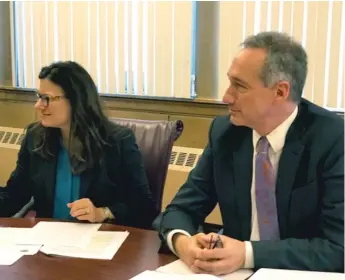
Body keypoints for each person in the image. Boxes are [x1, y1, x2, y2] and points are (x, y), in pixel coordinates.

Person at [157, 31, 344, 274]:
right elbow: (180, 209)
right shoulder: (225, 133)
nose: (226, 97)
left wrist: (247, 254)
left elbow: (338, 247)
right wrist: (184, 244)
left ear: (280, 91)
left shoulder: (332, 138)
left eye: (239, 86)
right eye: (229, 82)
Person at [0, 61, 157, 229]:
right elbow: (14, 195)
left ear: (76, 100)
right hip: (46, 240)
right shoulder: (35, 138)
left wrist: (102, 213)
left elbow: (143, 206)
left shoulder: (117, 141)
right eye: (39, 97)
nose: (38, 105)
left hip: (98, 241)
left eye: (47, 98)